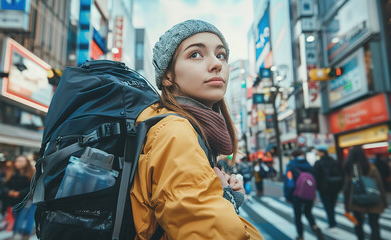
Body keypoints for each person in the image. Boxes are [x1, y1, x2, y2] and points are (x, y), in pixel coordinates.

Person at [130, 19, 262, 239]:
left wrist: (222, 195)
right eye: (195, 55)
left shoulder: (176, 127)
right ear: (168, 76)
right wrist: (226, 199)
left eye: (221, 55)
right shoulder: (176, 133)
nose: (216, 64)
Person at [343, 146, 388, 240]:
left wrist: (347, 206)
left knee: (358, 224)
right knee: (374, 224)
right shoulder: (371, 167)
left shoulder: (350, 169)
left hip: (357, 200)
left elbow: (346, 189)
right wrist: (384, 201)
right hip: (373, 199)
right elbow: (379, 185)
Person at [284, 149, 323, 240]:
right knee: (308, 213)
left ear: (293, 156)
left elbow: (289, 183)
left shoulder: (291, 166)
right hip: (309, 195)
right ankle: (315, 227)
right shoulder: (309, 165)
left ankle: (300, 236)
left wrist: (288, 197)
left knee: (298, 216)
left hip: (296, 196)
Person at [3, 155, 35, 240]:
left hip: (25, 200)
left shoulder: (30, 173)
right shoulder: (11, 173)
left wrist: (19, 193)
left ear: (26, 163)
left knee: (21, 217)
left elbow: (31, 187)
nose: (18, 163)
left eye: (21, 161)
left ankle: (17, 233)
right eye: (17, 161)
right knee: (15, 216)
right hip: (12, 200)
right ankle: (16, 232)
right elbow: (5, 185)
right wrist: (9, 191)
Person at [313, 146, 343, 229]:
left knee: (327, 205)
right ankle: (332, 220)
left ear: (322, 153)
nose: (317, 153)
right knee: (332, 204)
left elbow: (315, 176)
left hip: (324, 188)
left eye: (318, 152)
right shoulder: (335, 161)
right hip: (335, 187)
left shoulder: (318, 163)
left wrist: (317, 187)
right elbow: (341, 173)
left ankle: (331, 221)